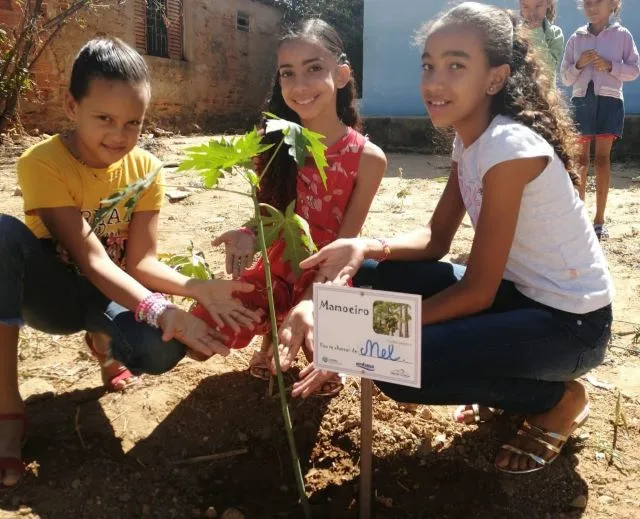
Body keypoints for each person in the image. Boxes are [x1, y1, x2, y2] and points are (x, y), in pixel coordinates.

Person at [296, 2, 614, 475]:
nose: (434, 82)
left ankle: (557, 397)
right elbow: (435, 238)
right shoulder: (471, 141)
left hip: (571, 326)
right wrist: (365, 245)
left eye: (456, 66)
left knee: (400, 370)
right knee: (367, 272)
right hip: (517, 297)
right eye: (428, 65)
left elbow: (478, 291)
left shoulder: (509, 149)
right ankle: (494, 368)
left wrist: (377, 333)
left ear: (495, 78)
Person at [0, 38, 260, 488]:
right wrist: (163, 310)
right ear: (71, 105)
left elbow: (141, 261)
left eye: (133, 123)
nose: (119, 136)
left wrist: (194, 288)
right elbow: (89, 255)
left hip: (113, 291)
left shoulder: (146, 169)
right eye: (104, 119)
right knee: (2, 233)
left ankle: (104, 342)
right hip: (51, 294)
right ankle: (7, 407)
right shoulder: (41, 162)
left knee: (158, 349)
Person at [191, 19, 386, 396]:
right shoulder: (271, 143)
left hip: (329, 274)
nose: (299, 86)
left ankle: (320, 348)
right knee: (202, 332)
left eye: (315, 69)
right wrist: (249, 234)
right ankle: (270, 335)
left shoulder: (367, 158)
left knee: (319, 347)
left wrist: (312, 302)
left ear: (342, 74)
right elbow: (270, 213)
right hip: (277, 267)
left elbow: (346, 242)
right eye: (287, 74)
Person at [560, 0, 639, 240]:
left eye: (598, 2)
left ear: (613, 4)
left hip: (610, 101)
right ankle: (579, 218)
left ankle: (599, 221)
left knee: (603, 161)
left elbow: (634, 69)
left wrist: (610, 66)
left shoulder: (622, 36)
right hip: (581, 102)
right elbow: (565, 78)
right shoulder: (577, 38)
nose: (592, 7)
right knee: (580, 160)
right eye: (587, 3)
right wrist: (579, 64)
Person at [519, 0, 564, 81]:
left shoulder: (555, 34)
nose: (532, 13)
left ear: (548, 3)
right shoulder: (514, 32)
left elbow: (549, 71)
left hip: (543, 92)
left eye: (538, 6)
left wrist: (536, 32)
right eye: (526, 6)